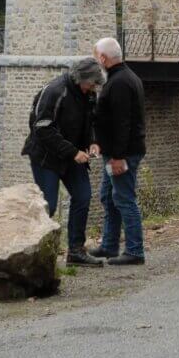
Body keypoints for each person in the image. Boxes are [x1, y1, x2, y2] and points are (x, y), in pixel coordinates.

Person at [21, 58, 107, 266]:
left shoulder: (88, 95)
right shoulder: (55, 91)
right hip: (46, 157)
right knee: (48, 205)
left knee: (83, 196)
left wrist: (94, 142)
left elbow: (92, 121)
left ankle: (76, 251)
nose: (94, 88)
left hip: (72, 155)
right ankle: (33, 253)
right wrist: (72, 152)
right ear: (80, 79)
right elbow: (42, 128)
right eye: (92, 83)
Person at [90, 37, 147, 265]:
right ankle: (110, 245)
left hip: (122, 152)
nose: (95, 61)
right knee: (108, 196)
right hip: (117, 150)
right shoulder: (123, 77)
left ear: (103, 58)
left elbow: (122, 122)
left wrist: (118, 156)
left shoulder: (120, 82)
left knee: (124, 198)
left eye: (96, 57)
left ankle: (135, 251)